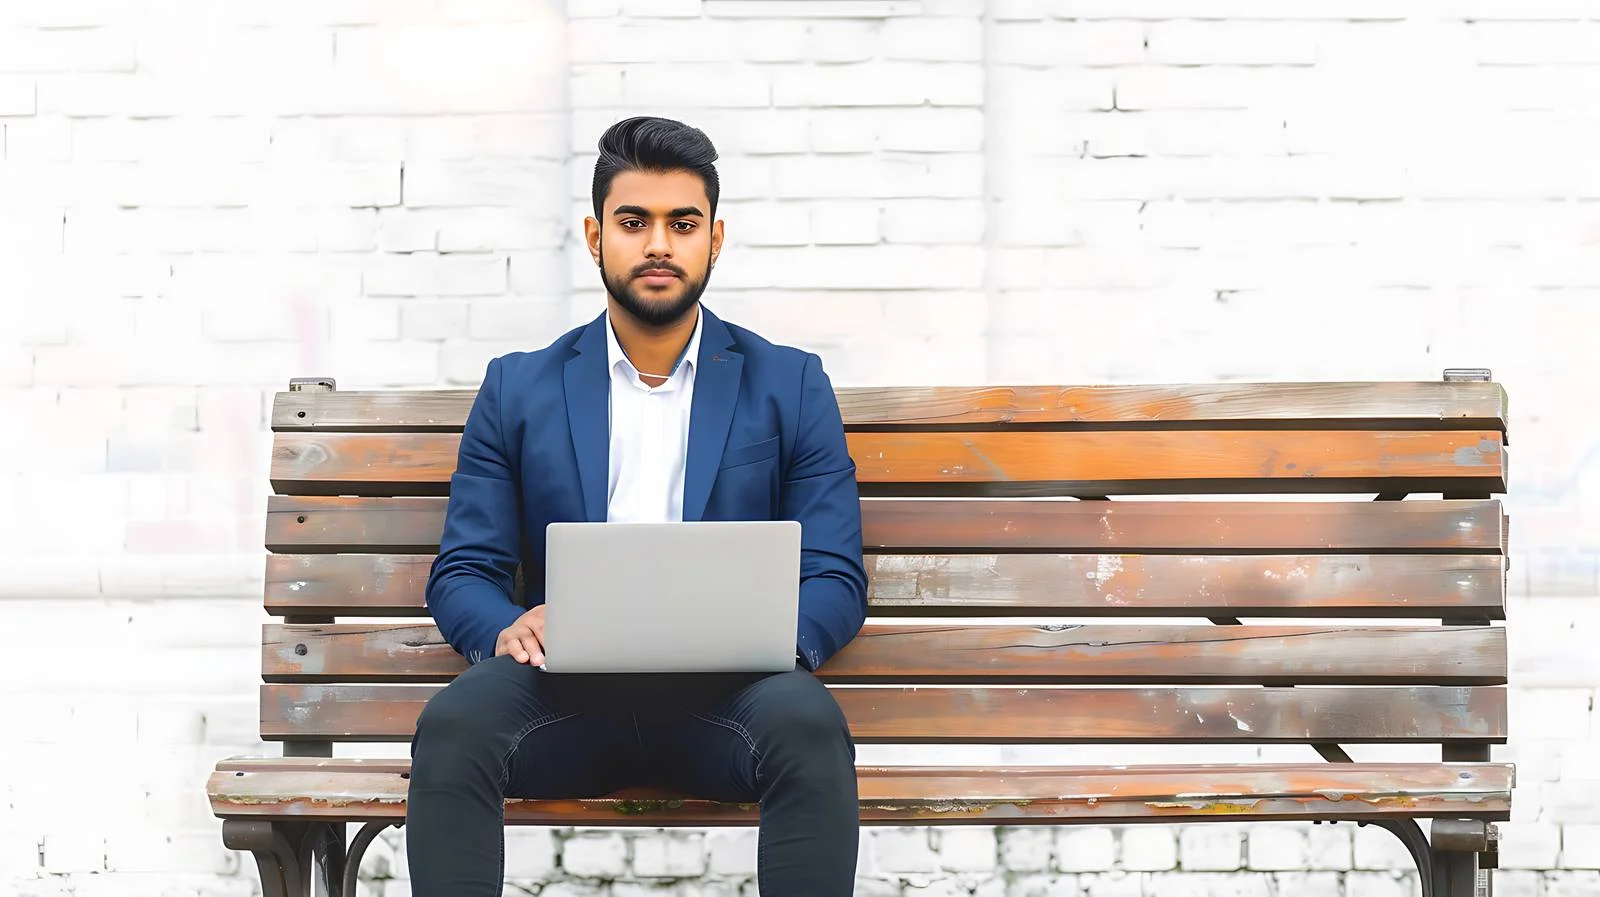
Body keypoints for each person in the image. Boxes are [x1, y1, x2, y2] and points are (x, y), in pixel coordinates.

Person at [405, 116, 869, 897]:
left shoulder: (789, 384)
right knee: (453, 727)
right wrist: (505, 625)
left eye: (682, 224)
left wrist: (766, 637)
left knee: (809, 725)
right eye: (634, 222)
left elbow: (832, 573)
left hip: (732, 700)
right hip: (562, 696)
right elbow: (464, 571)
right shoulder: (519, 388)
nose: (659, 243)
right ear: (596, 237)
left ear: (714, 239)